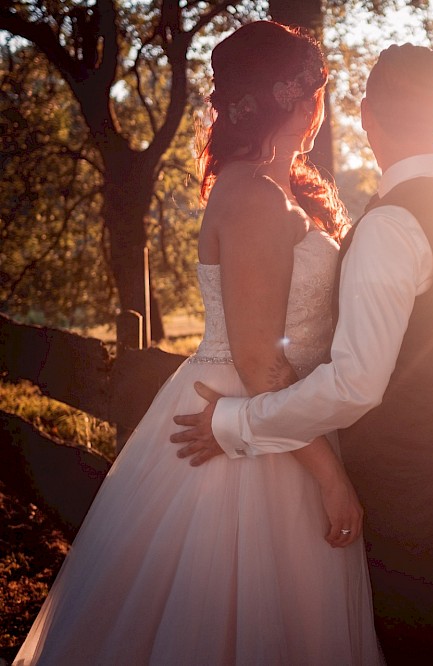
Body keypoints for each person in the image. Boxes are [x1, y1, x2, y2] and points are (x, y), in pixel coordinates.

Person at [15, 21, 383, 665]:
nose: (321, 104)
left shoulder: (274, 189)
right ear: (301, 97)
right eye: (318, 89)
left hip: (273, 413)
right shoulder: (254, 199)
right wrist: (330, 477)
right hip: (247, 427)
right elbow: (260, 360)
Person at [172, 43, 433, 665]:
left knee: (402, 638)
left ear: (366, 115)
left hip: (391, 468)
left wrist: (236, 423)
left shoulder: (388, 225)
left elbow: (356, 385)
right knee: (412, 630)